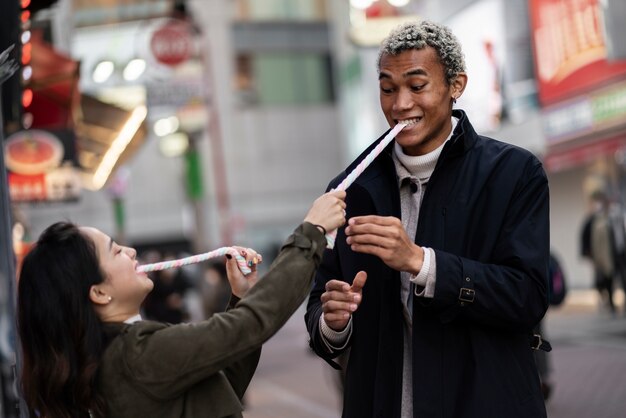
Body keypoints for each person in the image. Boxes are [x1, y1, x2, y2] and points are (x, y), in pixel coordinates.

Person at [305, 20, 550, 417]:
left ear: (456, 85)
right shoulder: (349, 188)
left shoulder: (513, 173)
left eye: (417, 86)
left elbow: (527, 297)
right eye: (387, 89)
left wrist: (422, 263)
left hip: (485, 402)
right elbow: (320, 307)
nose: (400, 104)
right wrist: (333, 323)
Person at [17, 190, 346, 418]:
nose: (131, 252)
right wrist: (311, 233)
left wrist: (242, 296)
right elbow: (248, 325)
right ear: (99, 293)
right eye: (116, 250)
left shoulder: (108, 359)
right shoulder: (136, 355)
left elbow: (219, 389)